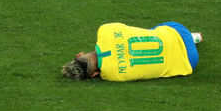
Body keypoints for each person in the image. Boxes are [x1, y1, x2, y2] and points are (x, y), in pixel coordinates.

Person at [61, 21, 202, 82]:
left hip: (189, 61)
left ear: (95, 74)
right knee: (150, 32)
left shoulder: (113, 76)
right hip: (178, 33)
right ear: (79, 54)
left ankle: (192, 39)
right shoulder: (105, 31)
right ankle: (192, 37)